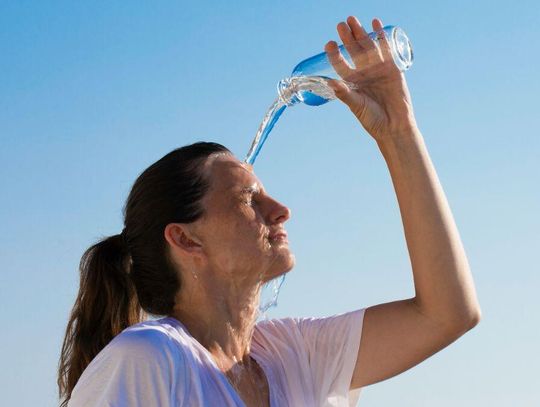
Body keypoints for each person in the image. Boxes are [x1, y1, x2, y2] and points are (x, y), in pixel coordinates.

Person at [58, 15, 481, 407]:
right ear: (186, 238)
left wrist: (398, 131)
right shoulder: (152, 358)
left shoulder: (294, 354)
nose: (281, 211)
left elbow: (447, 313)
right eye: (248, 200)